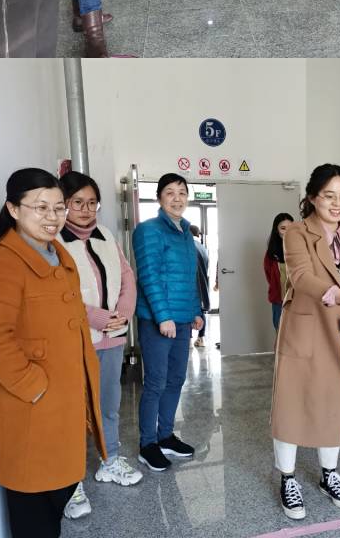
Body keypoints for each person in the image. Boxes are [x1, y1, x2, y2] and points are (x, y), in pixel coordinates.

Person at [0, 168, 106, 538]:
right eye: (41, 207)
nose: (52, 217)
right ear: (14, 209)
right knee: (34, 511)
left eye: (59, 207)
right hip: (33, 408)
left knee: (57, 496)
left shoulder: (57, 254)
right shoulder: (1, 263)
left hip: (63, 403)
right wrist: (35, 387)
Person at [269, 164, 340, 522]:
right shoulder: (297, 232)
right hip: (305, 328)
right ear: (312, 197)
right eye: (329, 195)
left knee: (333, 401)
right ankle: (288, 479)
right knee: (291, 403)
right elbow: (301, 276)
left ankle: (330, 475)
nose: (337, 203)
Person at [56, 171, 141, 521]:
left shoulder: (106, 235)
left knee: (109, 403)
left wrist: (122, 314)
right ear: (64, 204)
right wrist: (97, 317)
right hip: (75, 338)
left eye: (92, 203)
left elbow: (127, 278)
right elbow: (59, 294)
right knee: (73, 410)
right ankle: (69, 480)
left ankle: (110, 460)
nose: (86, 209)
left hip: (112, 337)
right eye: (77, 202)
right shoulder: (54, 241)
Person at [132, 173, 203, 473]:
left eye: (182, 192)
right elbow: (149, 276)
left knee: (176, 380)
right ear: (159, 197)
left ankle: (165, 436)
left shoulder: (185, 232)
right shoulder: (148, 230)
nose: (177, 198)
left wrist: (196, 311)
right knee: (156, 382)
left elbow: (189, 278)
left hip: (183, 320)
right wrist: (163, 317)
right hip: (157, 321)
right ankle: (148, 444)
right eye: (170, 192)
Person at [263, 214, 294, 331]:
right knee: (280, 331)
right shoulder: (271, 253)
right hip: (279, 301)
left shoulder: (301, 249)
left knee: (297, 334)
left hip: (298, 300)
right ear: (276, 230)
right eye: (283, 228)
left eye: (290, 228)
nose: (287, 232)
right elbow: (269, 275)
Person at [189, 224, 211, 346]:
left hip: (193, 283)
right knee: (201, 309)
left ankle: (188, 339)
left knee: (189, 310)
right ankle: (201, 338)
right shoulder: (203, 248)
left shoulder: (189, 246)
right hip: (203, 283)